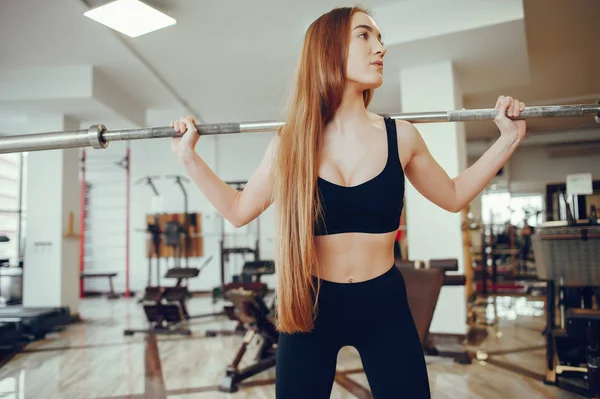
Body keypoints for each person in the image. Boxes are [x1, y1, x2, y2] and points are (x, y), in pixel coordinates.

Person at [170, 6, 526, 398]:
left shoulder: (401, 136)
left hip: (383, 302)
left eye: (380, 38)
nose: (381, 48)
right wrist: (188, 156)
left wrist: (507, 139)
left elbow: (454, 195)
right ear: (329, 50)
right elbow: (238, 210)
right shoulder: (291, 143)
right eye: (365, 35)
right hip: (311, 304)